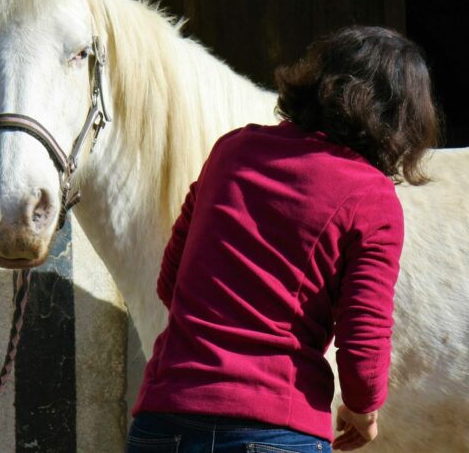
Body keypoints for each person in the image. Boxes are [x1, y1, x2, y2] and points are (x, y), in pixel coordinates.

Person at [127, 26, 440, 453]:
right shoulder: (371, 196)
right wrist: (362, 409)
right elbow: (363, 332)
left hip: (165, 419)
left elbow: (170, 283)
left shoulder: (231, 151)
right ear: (401, 118)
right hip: (276, 429)